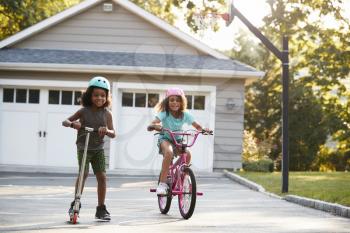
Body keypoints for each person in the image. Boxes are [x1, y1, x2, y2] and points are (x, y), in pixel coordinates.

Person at [62, 76, 116, 221]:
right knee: (83, 173)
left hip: (98, 149)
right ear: (90, 95)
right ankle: (76, 203)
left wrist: (106, 130)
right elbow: (65, 121)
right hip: (83, 147)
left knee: (102, 178)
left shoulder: (107, 114)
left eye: (103, 95)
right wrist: (74, 124)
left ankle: (101, 209)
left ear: (107, 97)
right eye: (96, 95)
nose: (100, 98)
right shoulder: (83, 111)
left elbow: (113, 133)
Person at [147, 87, 211, 195]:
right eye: (172, 100)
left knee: (188, 154)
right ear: (167, 102)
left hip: (178, 139)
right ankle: (162, 184)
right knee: (169, 152)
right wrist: (155, 126)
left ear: (182, 102)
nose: (175, 103)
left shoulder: (185, 114)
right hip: (165, 139)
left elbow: (197, 126)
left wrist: (204, 130)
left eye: (178, 100)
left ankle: (181, 174)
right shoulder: (164, 114)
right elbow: (153, 123)